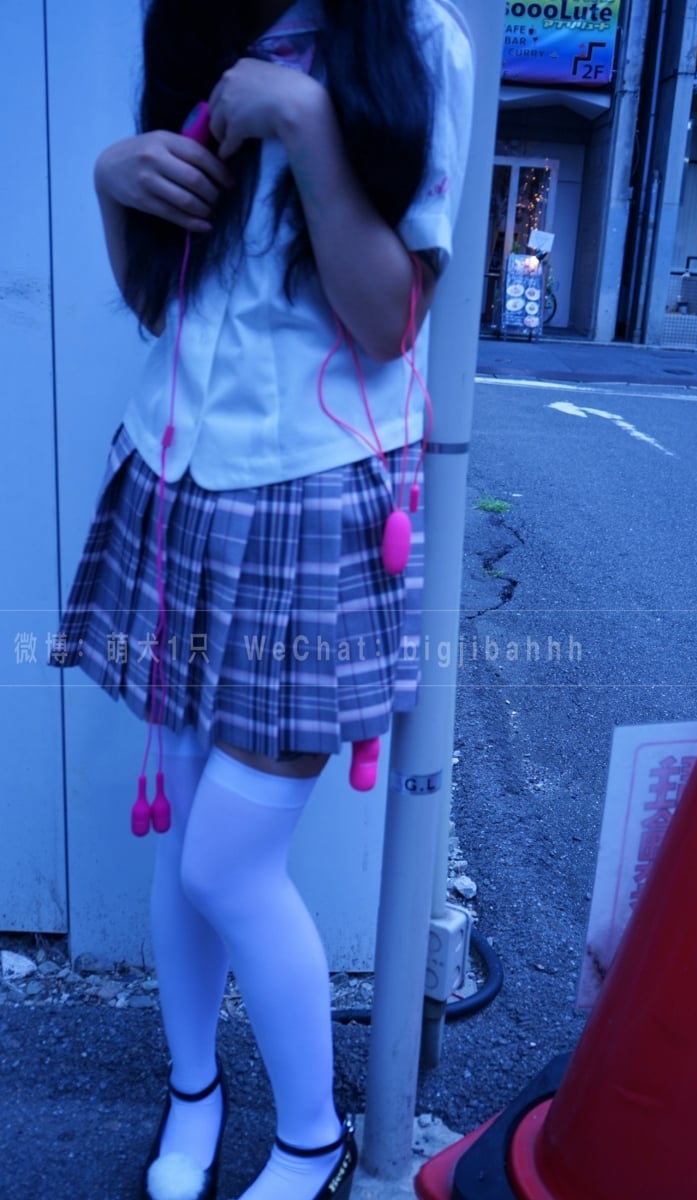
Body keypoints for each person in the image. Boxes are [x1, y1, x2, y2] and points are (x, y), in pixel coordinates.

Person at [54, 2, 473, 1200]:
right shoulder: (193, 20)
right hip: (178, 473)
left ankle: (311, 1138)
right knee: (190, 831)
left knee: (226, 859)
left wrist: (304, 122)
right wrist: (110, 183)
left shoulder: (415, 40)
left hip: (317, 493)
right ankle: (194, 1092)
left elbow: (389, 324)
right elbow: (163, 302)